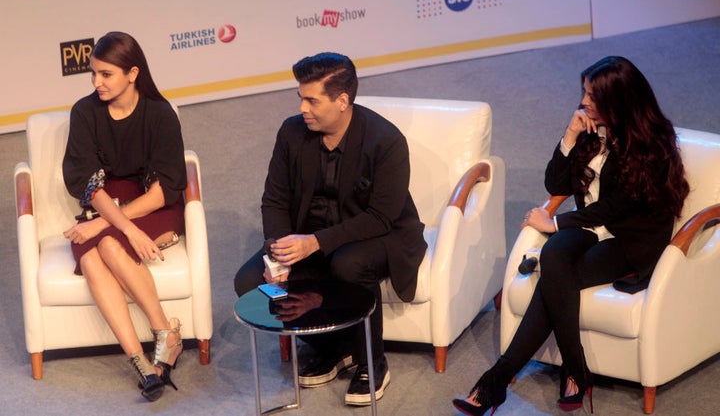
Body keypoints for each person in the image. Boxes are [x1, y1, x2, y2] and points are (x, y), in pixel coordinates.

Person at [452, 56, 690, 415]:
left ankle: (497, 379)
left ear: (618, 100)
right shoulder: (591, 131)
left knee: (555, 278)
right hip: (589, 227)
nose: (585, 102)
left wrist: (556, 224)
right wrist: (569, 137)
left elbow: (616, 208)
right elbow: (555, 184)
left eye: (593, 96)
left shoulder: (651, 145)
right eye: (584, 93)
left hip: (628, 240)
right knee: (554, 256)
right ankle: (576, 370)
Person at [234, 52, 427, 406]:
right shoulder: (292, 133)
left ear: (342, 101)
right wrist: (278, 253)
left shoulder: (386, 141)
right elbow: (274, 200)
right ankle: (334, 347)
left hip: (378, 235)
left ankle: (372, 360)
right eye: (301, 98)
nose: (303, 108)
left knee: (347, 264)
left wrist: (314, 243)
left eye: (312, 100)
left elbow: (381, 216)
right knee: (249, 281)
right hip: (312, 236)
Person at [62, 31, 186, 402]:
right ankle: (142, 361)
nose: (97, 83)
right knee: (94, 254)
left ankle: (163, 333)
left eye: (106, 74)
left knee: (109, 244)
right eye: (94, 75)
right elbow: (87, 183)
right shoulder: (84, 112)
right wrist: (114, 223)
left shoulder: (160, 113)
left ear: (132, 73)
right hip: (106, 203)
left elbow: (165, 190)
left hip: (153, 205)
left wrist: (107, 225)